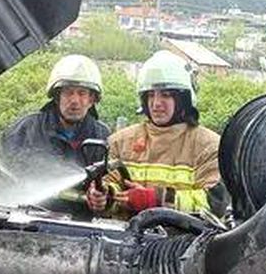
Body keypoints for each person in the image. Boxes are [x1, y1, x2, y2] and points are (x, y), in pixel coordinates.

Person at [86, 50, 226, 217]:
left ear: (183, 100)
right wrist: (104, 196)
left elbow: (214, 204)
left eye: (166, 95)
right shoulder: (121, 141)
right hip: (126, 241)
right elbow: (110, 183)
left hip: (182, 242)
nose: (156, 103)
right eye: (151, 95)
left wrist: (158, 199)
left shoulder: (209, 146)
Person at [0, 54, 109, 213]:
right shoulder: (26, 130)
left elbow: (109, 185)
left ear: (92, 99)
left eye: (82, 93)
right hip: (27, 222)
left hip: (79, 228)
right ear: (57, 97)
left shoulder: (102, 136)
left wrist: (102, 197)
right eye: (68, 92)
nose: (74, 100)